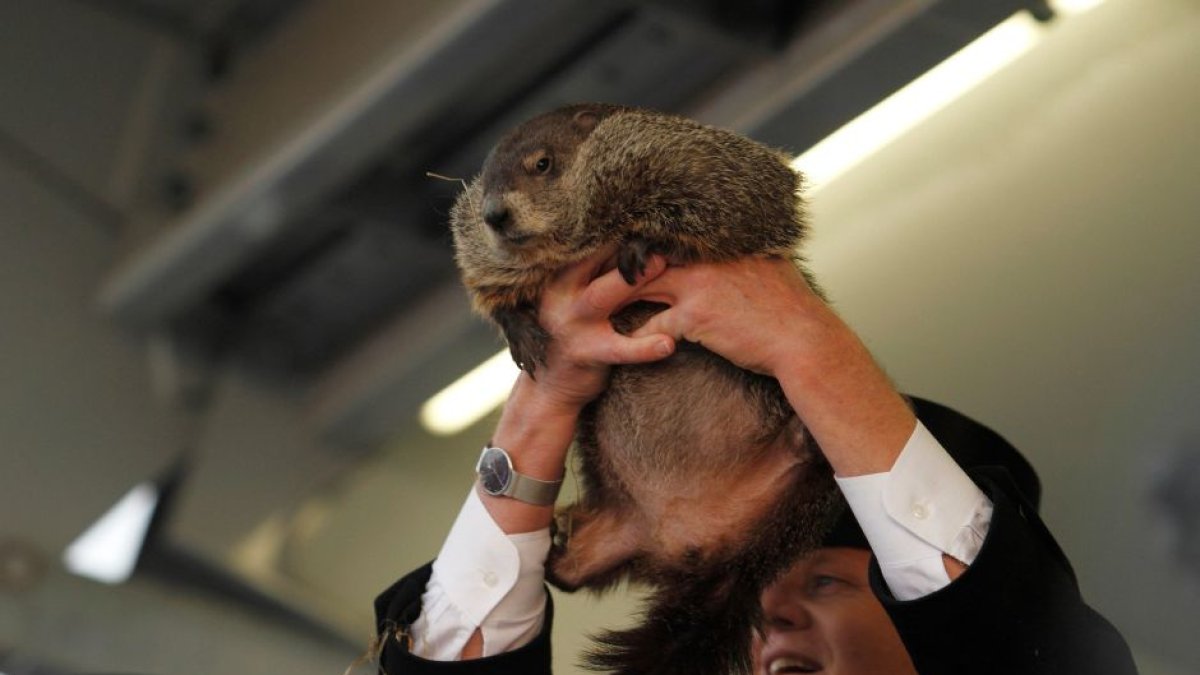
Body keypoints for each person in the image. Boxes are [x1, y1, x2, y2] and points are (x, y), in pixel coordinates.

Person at [372, 251, 1138, 674]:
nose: (767, 617)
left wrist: (809, 348)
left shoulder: (1004, 640)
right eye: (743, 597)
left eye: (829, 579)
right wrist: (543, 400)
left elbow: (1021, 650)